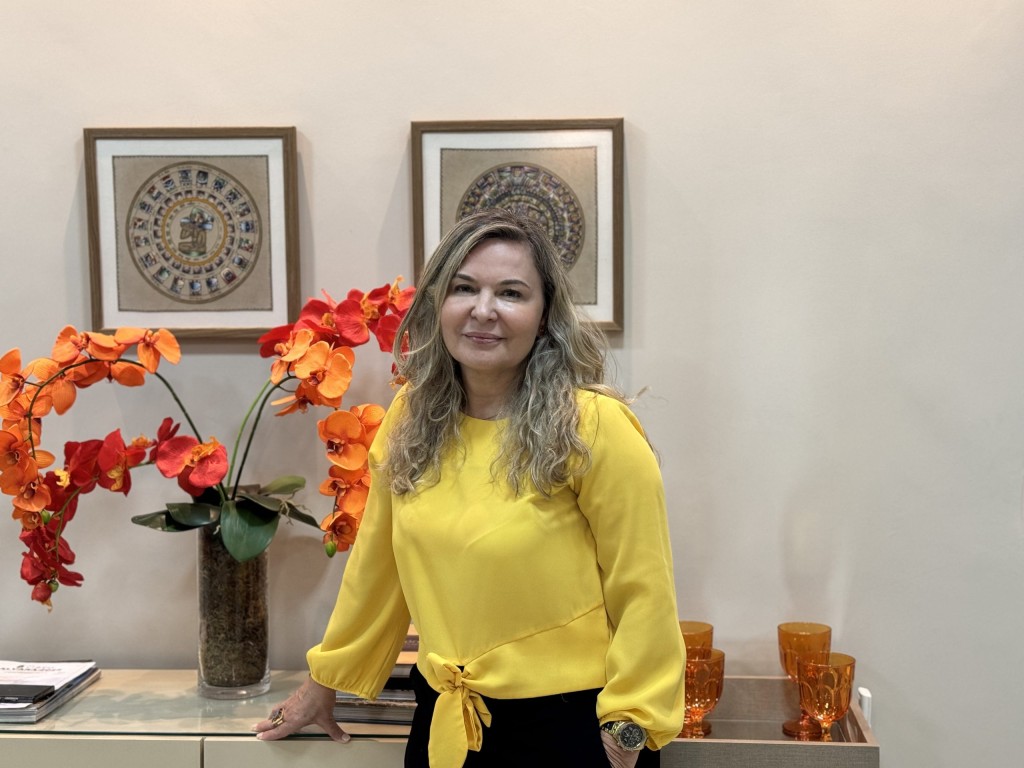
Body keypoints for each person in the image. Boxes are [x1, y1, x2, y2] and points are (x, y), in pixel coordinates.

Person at [253, 209, 685, 767]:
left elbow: (644, 586)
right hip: (445, 719)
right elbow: (378, 567)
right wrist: (325, 681)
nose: (484, 310)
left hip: (572, 729)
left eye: (511, 293)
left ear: (544, 315)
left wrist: (631, 728)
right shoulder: (409, 418)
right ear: (438, 304)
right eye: (464, 288)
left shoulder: (594, 425)